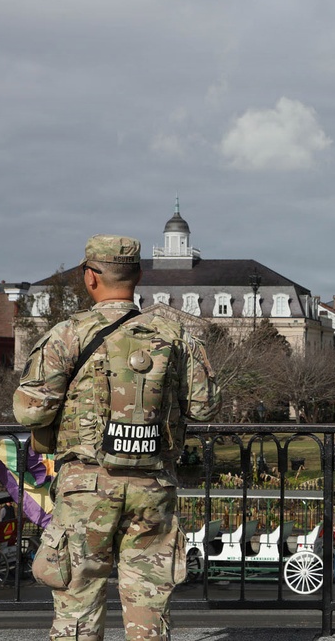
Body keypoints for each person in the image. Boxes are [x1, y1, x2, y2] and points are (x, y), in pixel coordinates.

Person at [13, 234, 221, 641]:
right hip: (153, 484)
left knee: (76, 604)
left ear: (89, 277)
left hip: (86, 486)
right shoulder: (176, 334)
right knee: (148, 610)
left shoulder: (68, 334)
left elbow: (30, 410)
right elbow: (204, 407)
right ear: (139, 276)